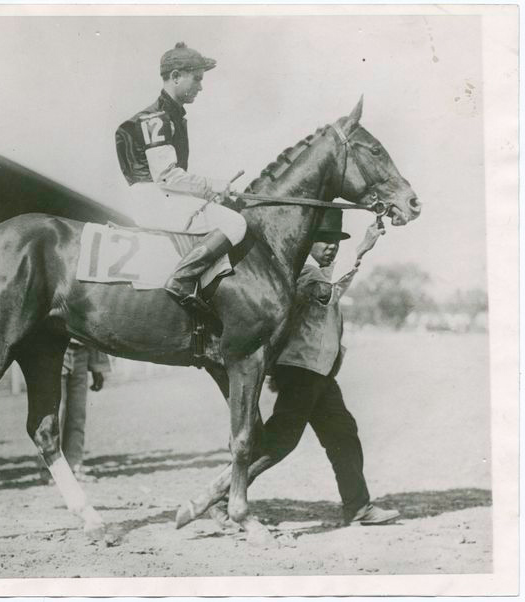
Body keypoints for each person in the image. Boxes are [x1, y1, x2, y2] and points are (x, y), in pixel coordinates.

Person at [253, 209, 400, 526]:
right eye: (324, 239)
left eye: (336, 240)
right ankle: (222, 495)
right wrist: (361, 248)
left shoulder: (320, 271)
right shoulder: (303, 272)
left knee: (343, 435)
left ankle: (358, 507)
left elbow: (333, 281)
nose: (331, 246)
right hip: (300, 371)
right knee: (279, 442)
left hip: (318, 372)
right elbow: (330, 292)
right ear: (307, 241)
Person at [115, 42, 247, 317]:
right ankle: (181, 280)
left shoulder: (171, 116)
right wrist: (214, 185)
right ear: (175, 76)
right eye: (196, 79)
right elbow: (166, 176)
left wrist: (207, 193)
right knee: (235, 223)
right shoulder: (156, 118)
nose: (201, 87)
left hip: (161, 197)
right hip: (152, 199)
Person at [39, 340, 110, 484]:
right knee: (55, 415)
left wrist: (97, 367)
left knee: (77, 414)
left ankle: (74, 464)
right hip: (56, 351)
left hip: (82, 353)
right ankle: (50, 468)